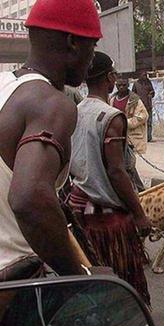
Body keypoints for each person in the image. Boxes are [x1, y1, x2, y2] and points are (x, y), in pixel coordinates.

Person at [0, 0, 102, 281]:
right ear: (72, 43)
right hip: (15, 284)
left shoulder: (5, 86)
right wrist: (79, 275)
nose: (93, 57)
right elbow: (28, 198)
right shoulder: (51, 104)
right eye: (92, 46)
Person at [68, 52, 152, 306]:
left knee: (92, 276)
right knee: (121, 277)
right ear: (110, 78)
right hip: (107, 217)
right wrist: (139, 213)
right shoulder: (111, 116)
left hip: (78, 208)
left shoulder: (75, 110)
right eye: (115, 75)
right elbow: (116, 171)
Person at [110, 77, 149, 153]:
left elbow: (143, 116)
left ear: (128, 85)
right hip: (115, 136)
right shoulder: (112, 100)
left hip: (131, 137)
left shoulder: (135, 101)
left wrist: (124, 123)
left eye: (124, 85)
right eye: (119, 85)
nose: (121, 87)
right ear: (116, 85)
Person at [132, 71, 155, 142]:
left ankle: (149, 137)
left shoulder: (148, 83)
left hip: (148, 105)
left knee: (149, 122)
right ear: (140, 76)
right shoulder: (136, 84)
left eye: (146, 75)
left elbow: (153, 92)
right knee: (140, 122)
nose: (145, 77)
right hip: (139, 106)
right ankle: (141, 137)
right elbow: (133, 95)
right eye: (143, 75)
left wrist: (151, 94)